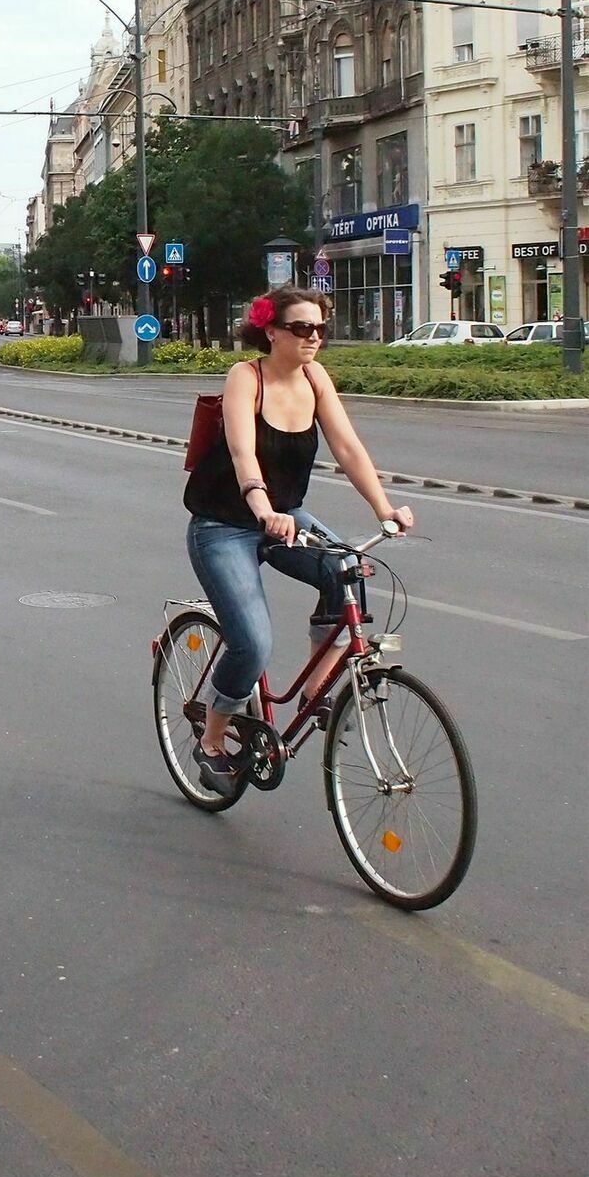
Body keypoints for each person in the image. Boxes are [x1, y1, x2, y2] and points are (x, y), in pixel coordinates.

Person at [183, 286, 414, 797]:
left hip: (287, 517)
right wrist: (262, 506)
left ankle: (316, 692)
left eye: (320, 329)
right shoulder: (247, 378)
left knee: (346, 571)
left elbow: (348, 447)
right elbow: (244, 451)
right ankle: (214, 741)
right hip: (224, 525)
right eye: (302, 328)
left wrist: (385, 509)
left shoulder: (315, 377)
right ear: (271, 332)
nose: (314, 338)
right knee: (254, 642)